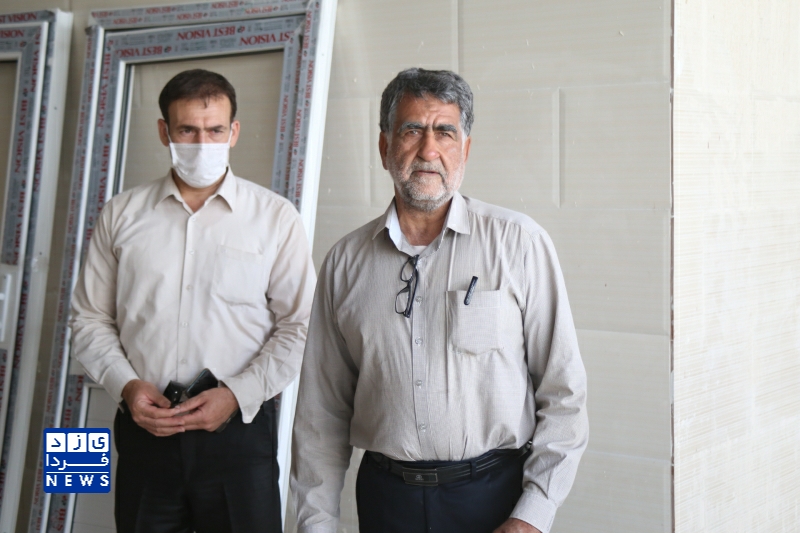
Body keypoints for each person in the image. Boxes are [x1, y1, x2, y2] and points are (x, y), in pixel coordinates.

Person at [291, 68, 588, 533]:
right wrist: (316, 525)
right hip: (386, 502)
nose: (429, 150)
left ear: (464, 149)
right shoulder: (345, 264)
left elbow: (564, 393)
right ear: (384, 146)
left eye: (445, 132)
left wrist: (533, 515)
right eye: (412, 130)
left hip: (494, 498)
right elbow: (319, 417)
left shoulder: (518, 244)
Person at [70, 69, 315, 533]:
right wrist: (126, 385)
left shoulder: (276, 218)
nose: (203, 144)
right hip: (146, 431)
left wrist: (236, 395)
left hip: (238, 435)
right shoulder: (121, 215)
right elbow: (88, 319)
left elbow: (300, 326)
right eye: (187, 130)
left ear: (234, 132)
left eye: (215, 130)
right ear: (164, 131)